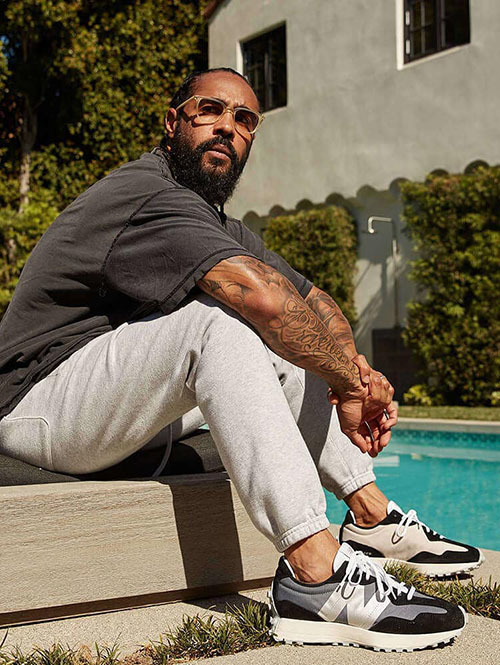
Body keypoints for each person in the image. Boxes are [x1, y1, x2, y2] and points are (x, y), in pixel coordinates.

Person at [0, 68, 481, 651]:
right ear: (174, 121)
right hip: (37, 403)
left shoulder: (215, 221)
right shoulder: (146, 194)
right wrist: (353, 388)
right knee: (224, 321)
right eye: (211, 110)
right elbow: (263, 300)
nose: (227, 127)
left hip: (112, 407)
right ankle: (316, 578)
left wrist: (354, 370)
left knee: (294, 339)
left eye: (244, 119)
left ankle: (370, 515)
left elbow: (312, 300)